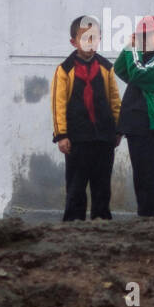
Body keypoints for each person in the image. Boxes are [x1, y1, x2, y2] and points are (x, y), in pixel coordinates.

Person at [51, 15, 122, 221]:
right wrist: (61, 135)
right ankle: (73, 227)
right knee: (76, 187)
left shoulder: (107, 68)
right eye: (84, 39)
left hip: (103, 139)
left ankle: (101, 225)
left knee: (102, 187)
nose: (90, 44)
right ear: (73, 42)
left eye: (94, 38)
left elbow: (115, 101)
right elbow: (58, 105)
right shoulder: (64, 70)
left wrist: (117, 130)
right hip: (77, 140)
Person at [115, 15, 154, 219]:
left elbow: (137, 74)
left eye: (151, 35)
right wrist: (130, 47)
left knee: (147, 175)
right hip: (135, 125)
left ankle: (149, 217)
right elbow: (120, 69)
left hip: (145, 124)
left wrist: (133, 49)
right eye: (143, 35)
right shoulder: (141, 58)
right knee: (146, 173)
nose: (146, 39)